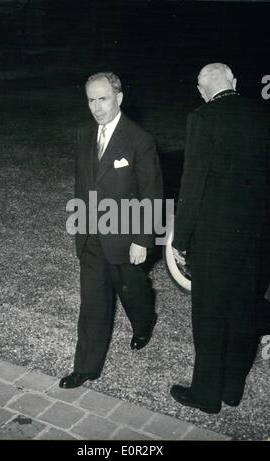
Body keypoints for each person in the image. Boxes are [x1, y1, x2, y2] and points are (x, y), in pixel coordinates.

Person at [170, 63, 270, 414]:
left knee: (210, 314)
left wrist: (179, 238)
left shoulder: (202, 118)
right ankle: (232, 388)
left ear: (202, 90)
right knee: (245, 310)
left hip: (213, 239)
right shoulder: (263, 113)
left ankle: (206, 395)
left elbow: (192, 184)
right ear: (235, 82)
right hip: (257, 238)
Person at [59, 72, 163, 389]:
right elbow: (83, 185)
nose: (96, 107)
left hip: (125, 235)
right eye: (91, 99)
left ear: (119, 98)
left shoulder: (139, 140)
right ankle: (87, 367)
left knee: (132, 290)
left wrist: (142, 240)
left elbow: (153, 193)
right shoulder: (83, 133)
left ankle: (145, 321)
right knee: (93, 301)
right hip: (92, 234)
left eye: (103, 99)